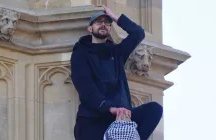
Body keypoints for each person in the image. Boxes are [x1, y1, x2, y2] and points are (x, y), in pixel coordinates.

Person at [70, 4, 163, 140]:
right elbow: (85, 87)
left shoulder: (116, 52)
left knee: (154, 109)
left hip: (119, 120)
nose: (103, 25)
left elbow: (138, 33)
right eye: (99, 22)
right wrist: (110, 108)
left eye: (107, 23)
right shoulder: (81, 54)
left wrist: (114, 16)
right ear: (90, 28)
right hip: (93, 122)